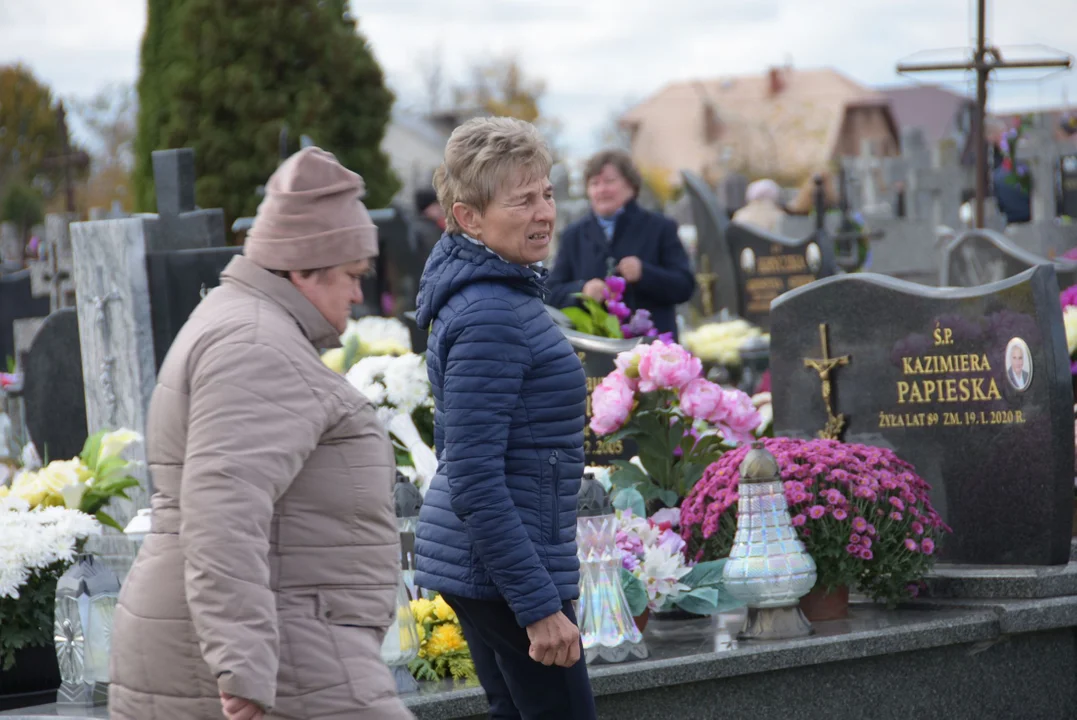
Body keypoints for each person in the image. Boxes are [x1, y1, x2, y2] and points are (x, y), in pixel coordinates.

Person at [109, 147, 412, 720]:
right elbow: (223, 505)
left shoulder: (251, 324)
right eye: (351, 276)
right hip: (285, 658)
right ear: (303, 267)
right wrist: (243, 663)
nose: (356, 295)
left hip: (276, 643)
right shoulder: (256, 344)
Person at [413, 117, 596, 719]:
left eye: (546, 193)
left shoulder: (498, 290)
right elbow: (473, 476)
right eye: (522, 200)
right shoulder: (491, 312)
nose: (544, 212)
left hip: (495, 564)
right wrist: (540, 607)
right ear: (469, 218)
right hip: (506, 570)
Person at [547, 149, 694, 338]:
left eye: (609, 181)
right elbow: (551, 292)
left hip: (651, 352)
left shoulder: (660, 228)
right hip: (594, 352)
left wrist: (645, 273)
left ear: (631, 185)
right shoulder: (573, 235)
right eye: (594, 183)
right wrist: (582, 289)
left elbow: (685, 286)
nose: (601, 189)